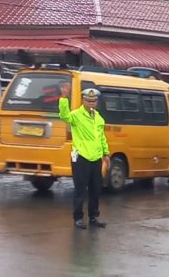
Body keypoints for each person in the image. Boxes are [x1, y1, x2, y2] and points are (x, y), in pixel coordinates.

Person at [59, 83, 110, 230]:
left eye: (94, 101)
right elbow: (64, 116)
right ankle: (78, 218)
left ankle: (94, 216)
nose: (91, 103)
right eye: (88, 100)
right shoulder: (76, 116)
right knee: (80, 190)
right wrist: (63, 98)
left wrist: (106, 153)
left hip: (96, 158)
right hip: (81, 157)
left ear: (97, 102)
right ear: (83, 101)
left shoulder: (99, 119)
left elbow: (101, 138)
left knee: (96, 189)